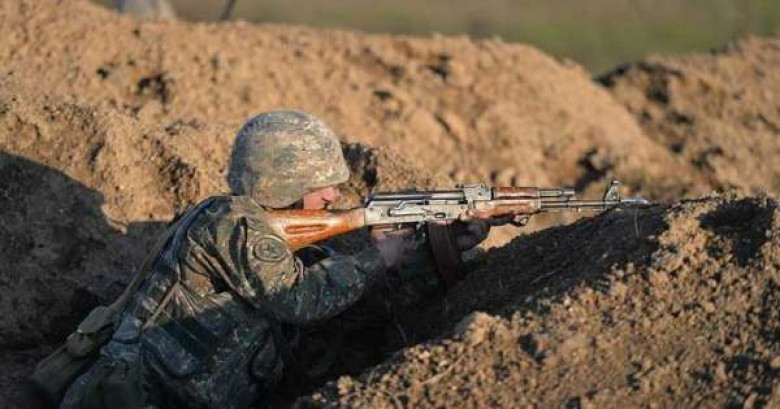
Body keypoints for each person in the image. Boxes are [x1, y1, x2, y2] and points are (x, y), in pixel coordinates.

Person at [53, 110, 491, 409]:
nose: (332, 195)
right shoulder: (229, 224)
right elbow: (301, 300)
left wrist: (445, 248)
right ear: (282, 183)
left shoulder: (281, 242)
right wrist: (377, 255)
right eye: (319, 184)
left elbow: (351, 304)